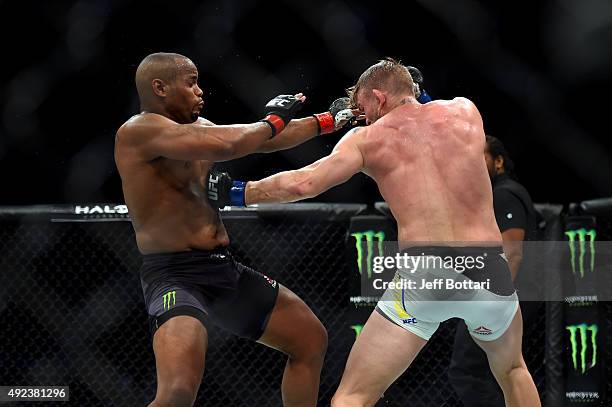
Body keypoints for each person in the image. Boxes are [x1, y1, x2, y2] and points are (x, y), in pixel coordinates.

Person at [212, 59, 541, 407]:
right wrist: (419, 94)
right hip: (488, 268)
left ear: (380, 98)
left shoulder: (366, 139)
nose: (362, 117)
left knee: (353, 395)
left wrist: (237, 192)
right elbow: (428, 120)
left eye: (364, 108)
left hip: (427, 274)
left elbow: (304, 183)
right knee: (513, 370)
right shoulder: (465, 112)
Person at [114, 52, 357, 407]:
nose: (200, 91)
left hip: (222, 268)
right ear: (160, 87)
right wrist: (272, 119)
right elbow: (231, 144)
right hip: (175, 276)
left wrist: (330, 120)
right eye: (191, 82)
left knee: (309, 339)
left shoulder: (199, 129)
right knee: (178, 391)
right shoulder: (138, 132)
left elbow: (265, 139)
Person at [448, 135, 539, 406]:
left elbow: (513, 252)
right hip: (508, 293)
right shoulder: (496, 194)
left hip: (506, 295)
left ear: (498, 161)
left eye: (481, 157)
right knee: (506, 370)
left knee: (467, 370)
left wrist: (493, 300)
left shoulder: (504, 193)